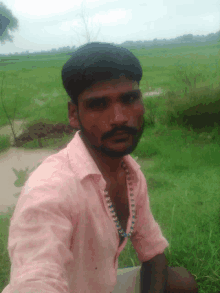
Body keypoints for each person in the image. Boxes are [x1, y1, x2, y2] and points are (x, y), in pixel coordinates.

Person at [2, 42, 198, 293]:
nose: (119, 117)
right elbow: (36, 277)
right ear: (74, 114)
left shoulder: (130, 173)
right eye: (98, 104)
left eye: (129, 99)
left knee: (180, 281)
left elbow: (153, 253)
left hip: (102, 284)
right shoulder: (50, 188)